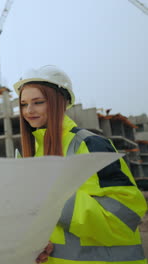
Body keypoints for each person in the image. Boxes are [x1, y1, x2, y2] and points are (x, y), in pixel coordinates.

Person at [14, 65, 147, 263]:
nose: (29, 111)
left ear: (62, 102)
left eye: (38, 102)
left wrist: (54, 198)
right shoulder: (31, 153)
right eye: (24, 104)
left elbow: (124, 217)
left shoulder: (92, 145)